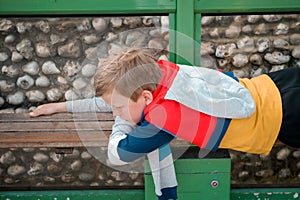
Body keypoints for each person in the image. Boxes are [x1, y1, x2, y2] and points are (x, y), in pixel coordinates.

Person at [30, 48, 300, 200]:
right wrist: (61, 106)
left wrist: (119, 125)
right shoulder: (162, 76)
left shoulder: (162, 119)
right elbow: (120, 100)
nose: (116, 113)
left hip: (285, 115)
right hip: (275, 84)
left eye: (119, 109)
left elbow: (120, 153)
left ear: (146, 97)